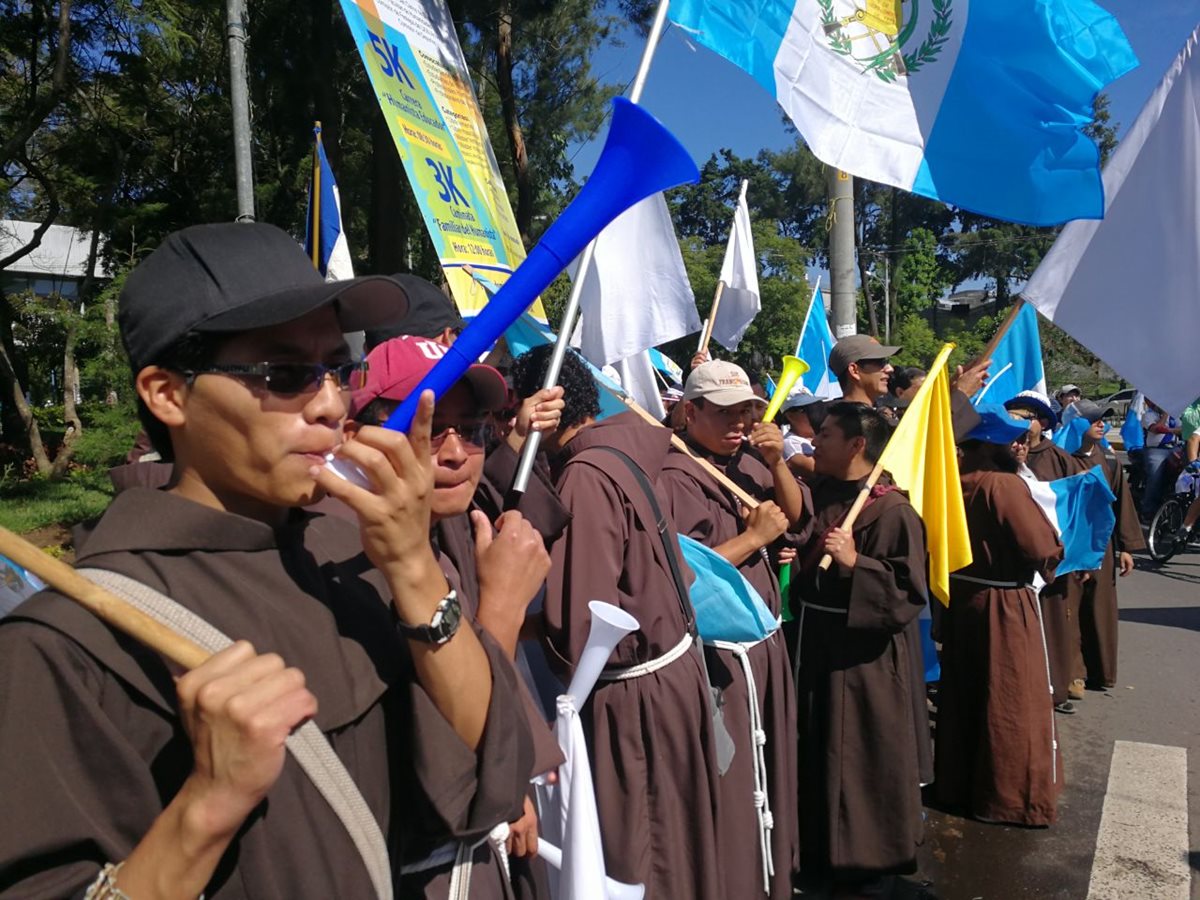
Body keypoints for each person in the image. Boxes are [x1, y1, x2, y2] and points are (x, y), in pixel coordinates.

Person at [0, 223, 533, 898]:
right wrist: (206, 808)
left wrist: (414, 569)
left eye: (338, 370)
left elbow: (485, 777)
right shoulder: (69, 641)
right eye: (284, 375)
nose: (332, 404)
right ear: (167, 394)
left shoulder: (346, 552)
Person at [348, 334, 565, 899]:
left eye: (470, 430)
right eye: (427, 427)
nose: (453, 453)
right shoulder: (349, 560)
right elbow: (439, 749)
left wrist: (512, 781)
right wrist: (502, 611)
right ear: (358, 434)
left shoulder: (449, 530)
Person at [510, 346, 726, 900]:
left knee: (642, 846)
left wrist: (509, 622)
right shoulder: (621, 452)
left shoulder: (584, 474)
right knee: (676, 837)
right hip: (670, 676)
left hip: (636, 697)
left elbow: (582, 623)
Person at [658, 359, 807, 900]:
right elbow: (677, 577)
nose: (739, 422)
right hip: (719, 655)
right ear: (690, 411)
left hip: (762, 641)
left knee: (767, 764)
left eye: (746, 410)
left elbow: (790, 515)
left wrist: (777, 461)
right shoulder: (673, 474)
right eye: (724, 413)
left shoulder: (746, 459)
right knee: (736, 773)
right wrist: (752, 540)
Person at [788, 402, 931, 895]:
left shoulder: (893, 511)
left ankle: (868, 857)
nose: (814, 441)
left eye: (825, 434)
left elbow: (909, 593)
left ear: (856, 444)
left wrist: (855, 563)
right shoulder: (822, 491)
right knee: (814, 747)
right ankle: (814, 847)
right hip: (813, 643)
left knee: (858, 754)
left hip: (860, 658)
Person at [935, 405, 1064, 827]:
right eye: (1010, 438)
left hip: (963, 600)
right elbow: (1041, 548)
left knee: (965, 697)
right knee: (1011, 700)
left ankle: (959, 786)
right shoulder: (1002, 485)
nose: (1019, 443)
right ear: (989, 445)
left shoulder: (954, 482)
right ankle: (1009, 798)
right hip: (1005, 605)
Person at [1004, 391, 1082, 712]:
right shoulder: (998, 457)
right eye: (1016, 416)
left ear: (1043, 423)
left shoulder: (1061, 459)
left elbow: (1072, 510)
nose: (1022, 425)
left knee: (1052, 626)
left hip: (1050, 563)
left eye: (1029, 417)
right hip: (1009, 564)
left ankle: (1056, 686)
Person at [1068, 400, 1144, 691]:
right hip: (1070, 545)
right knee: (1069, 607)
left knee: (1099, 606)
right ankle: (1073, 672)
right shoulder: (1062, 458)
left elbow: (1122, 503)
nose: (1101, 424)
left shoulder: (1109, 459)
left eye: (1103, 420)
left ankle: (1099, 671)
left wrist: (1126, 546)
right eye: (1094, 420)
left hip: (1101, 545)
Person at [364, 273, 466, 350]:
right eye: (458, 333)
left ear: (366, 350)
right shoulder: (469, 375)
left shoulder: (360, 375)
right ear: (446, 338)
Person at [779, 386, 822, 477]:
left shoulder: (822, 436)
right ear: (790, 416)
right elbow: (818, 470)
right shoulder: (790, 443)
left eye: (816, 407)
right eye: (807, 410)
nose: (813, 413)